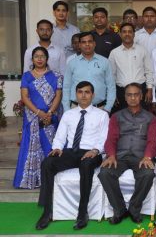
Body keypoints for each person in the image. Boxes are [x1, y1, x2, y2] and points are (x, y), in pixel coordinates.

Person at [35, 81, 109, 230]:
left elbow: (104, 138)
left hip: (92, 152)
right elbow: (60, 136)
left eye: (87, 92)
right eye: (80, 92)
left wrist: (95, 150)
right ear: (76, 94)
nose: (83, 95)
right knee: (47, 163)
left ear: (92, 95)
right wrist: (56, 148)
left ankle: (82, 213)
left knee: (86, 164)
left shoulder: (102, 115)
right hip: (71, 151)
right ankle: (47, 211)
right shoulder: (68, 114)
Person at [98, 83, 156, 224]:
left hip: (141, 157)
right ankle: (119, 210)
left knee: (148, 174)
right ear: (125, 97)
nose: (132, 98)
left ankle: (134, 209)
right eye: (129, 95)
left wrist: (148, 156)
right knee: (105, 173)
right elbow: (111, 139)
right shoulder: (116, 116)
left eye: (136, 94)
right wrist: (111, 155)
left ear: (141, 96)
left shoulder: (151, 118)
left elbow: (152, 140)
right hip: (119, 156)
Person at [13, 46, 62, 189]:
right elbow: (25, 97)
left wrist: (50, 113)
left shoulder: (57, 76)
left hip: (50, 117)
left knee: (49, 146)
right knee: (30, 146)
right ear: (32, 59)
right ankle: (30, 180)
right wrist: (39, 113)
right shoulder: (27, 76)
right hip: (32, 117)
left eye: (42, 56)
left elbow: (58, 95)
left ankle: (51, 181)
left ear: (47, 59)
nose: (39, 59)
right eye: (36, 56)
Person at [62, 32, 116, 113]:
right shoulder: (72, 63)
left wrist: (108, 108)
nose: (87, 44)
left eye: (90, 41)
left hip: (100, 109)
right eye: (84, 42)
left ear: (94, 43)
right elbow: (66, 87)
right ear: (79, 45)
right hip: (75, 109)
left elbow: (111, 86)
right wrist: (67, 109)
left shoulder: (105, 62)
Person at [109, 23, 153, 113]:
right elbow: (111, 75)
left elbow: (149, 71)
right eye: (124, 32)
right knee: (123, 120)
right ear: (120, 34)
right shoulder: (114, 53)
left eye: (130, 32)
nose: (127, 34)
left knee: (142, 119)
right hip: (121, 92)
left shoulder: (142, 50)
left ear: (134, 34)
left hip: (141, 91)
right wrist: (112, 94)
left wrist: (149, 89)